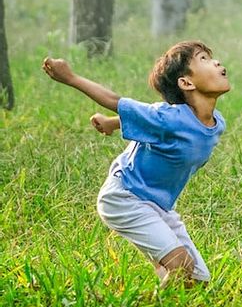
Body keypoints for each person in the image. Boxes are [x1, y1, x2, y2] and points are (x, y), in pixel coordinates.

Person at [41, 41, 230, 285]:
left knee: (196, 280)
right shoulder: (168, 118)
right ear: (186, 83)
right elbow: (116, 101)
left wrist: (112, 123)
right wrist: (71, 77)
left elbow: (150, 122)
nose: (216, 62)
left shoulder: (217, 123)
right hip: (125, 197)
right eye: (203, 59)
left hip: (158, 206)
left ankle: (164, 269)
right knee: (181, 267)